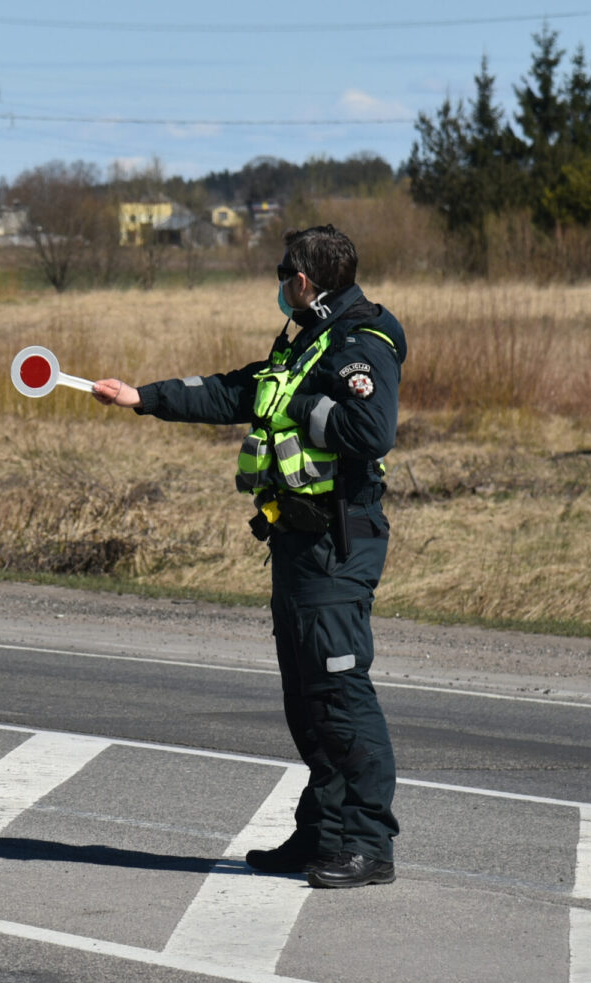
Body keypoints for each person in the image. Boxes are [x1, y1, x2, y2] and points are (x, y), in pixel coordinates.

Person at [92, 224, 406, 888]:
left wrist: (306, 408)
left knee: (339, 693)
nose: (277, 285)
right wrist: (141, 397)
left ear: (303, 282)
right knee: (305, 696)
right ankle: (322, 830)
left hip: (337, 546)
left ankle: (367, 842)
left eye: (282, 274)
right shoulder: (305, 345)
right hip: (296, 542)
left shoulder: (361, 341)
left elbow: (372, 430)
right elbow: (237, 391)